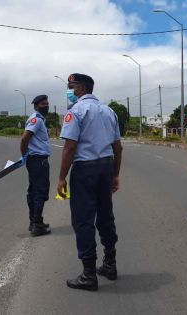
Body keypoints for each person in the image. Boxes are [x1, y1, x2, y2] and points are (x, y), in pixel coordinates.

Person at [58, 73, 123, 291]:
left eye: (71, 86)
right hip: (105, 168)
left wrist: (61, 178)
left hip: (85, 169)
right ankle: (110, 265)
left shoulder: (75, 111)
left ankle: (88, 274)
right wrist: (115, 174)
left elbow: (69, 147)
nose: (70, 90)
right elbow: (118, 147)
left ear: (82, 88)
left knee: (83, 220)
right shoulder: (109, 111)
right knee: (106, 216)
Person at [20, 94, 52, 237]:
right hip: (38, 160)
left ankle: (34, 221)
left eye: (47, 103)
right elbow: (25, 137)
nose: (46, 106)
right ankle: (37, 225)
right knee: (40, 192)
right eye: (43, 104)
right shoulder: (36, 120)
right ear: (36, 106)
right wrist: (24, 154)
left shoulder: (39, 119)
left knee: (33, 191)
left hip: (36, 160)